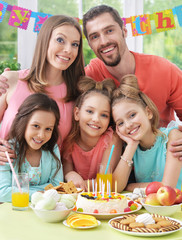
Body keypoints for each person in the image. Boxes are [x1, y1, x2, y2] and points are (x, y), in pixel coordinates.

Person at [82, 5, 182, 159]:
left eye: (109, 30)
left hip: (162, 159)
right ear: (89, 44)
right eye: (95, 36)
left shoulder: (164, 70)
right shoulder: (91, 75)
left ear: (124, 31)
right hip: (116, 164)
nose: (104, 41)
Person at [0, 15, 85, 164]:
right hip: (6, 175)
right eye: (60, 40)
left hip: (48, 183)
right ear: (45, 40)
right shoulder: (10, 81)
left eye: (75, 44)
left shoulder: (77, 95)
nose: (68, 50)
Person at [111, 74, 182, 193]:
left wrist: (130, 186)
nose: (128, 125)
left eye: (132, 115)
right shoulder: (131, 149)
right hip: (150, 209)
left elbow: (167, 188)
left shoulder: (172, 137)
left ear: (148, 112)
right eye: (120, 123)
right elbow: (116, 188)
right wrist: (131, 145)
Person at [0, 93, 63, 202]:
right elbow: (3, 192)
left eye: (48, 129)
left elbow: (57, 187)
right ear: (23, 122)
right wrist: (40, 193)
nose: (41, 135)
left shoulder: (53, 149)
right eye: (36, 126)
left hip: (44, 212)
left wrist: (18, 191)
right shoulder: (7, 150)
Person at [62, 76, 122, 190]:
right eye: (90, 111)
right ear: (77, 113)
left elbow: (105, 182)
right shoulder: (69, 140)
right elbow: (67, 169)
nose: (96, 119)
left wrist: (80, 185)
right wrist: (70, 175)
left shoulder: (111, 140)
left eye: (104, 115)